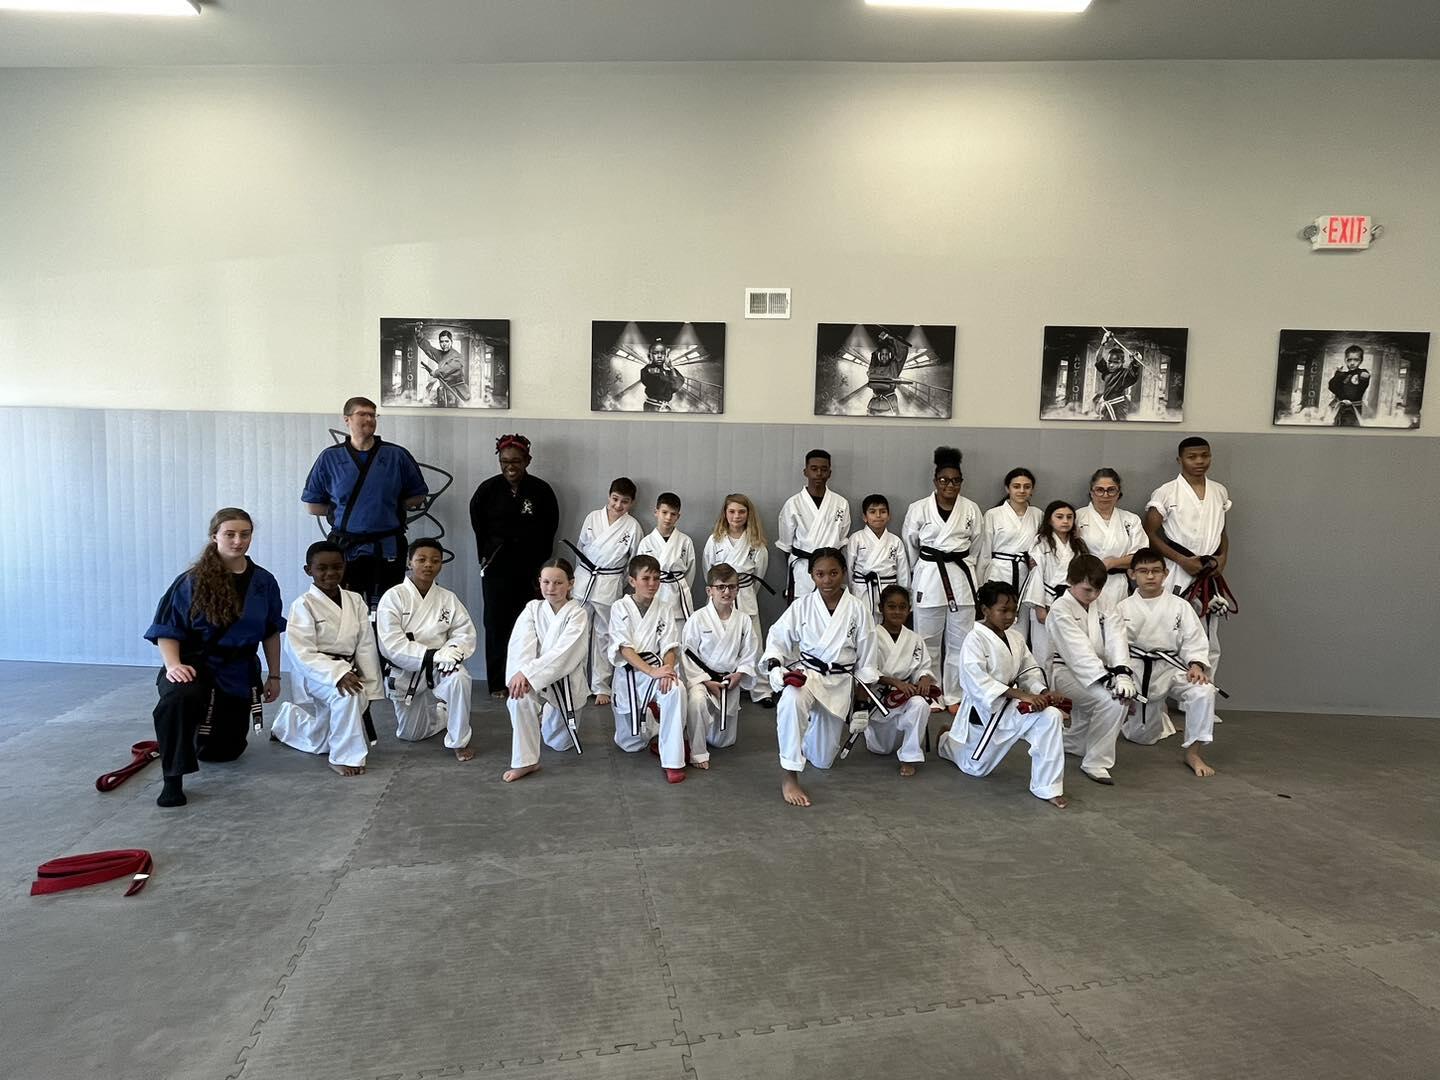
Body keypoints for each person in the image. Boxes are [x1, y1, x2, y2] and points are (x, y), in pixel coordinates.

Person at [144, 508, 285, 808]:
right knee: (178, 698)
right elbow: (167, 627)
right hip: (194, 662)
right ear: (214, 537)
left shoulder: (264, 582)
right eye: (229, 534)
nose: (238, 541)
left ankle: (195, 733)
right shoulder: (191, 581)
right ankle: (172, 779)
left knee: (222, 753)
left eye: (244, 534)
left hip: (238, 669)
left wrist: (274, 675)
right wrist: (173, 665)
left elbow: (271, 631)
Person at [763, 547, 879, 807]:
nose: (827, 580)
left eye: (833, 573)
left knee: (823, 759)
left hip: (839, 682)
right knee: (791, 700)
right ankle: (789, 775)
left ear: (844, 573)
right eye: (820, 574)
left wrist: (861, 704)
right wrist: (775, 666)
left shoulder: (858, 609)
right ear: (812, 575)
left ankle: (804, 737)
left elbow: (867, 660)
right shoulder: (802, 606)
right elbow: (777, 638)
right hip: (808, 675)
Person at [938, 581, 1068, 808]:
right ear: (985, 610)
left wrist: (1043, 692)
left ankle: (1048, 786)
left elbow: (1029, 671)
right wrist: (1020, 694)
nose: (1010, 616)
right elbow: (976, 681)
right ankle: (946, 741)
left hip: (1013, 706)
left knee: (1051, 717)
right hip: (985, 709)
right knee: (975, 768)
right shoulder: (974, 639)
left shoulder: (1016, 638)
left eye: (1013, 611)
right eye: (1003, 610)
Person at [302, 396, 428, 609]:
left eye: (373, 415)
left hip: (387, 546)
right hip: (346, 547)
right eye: (362, 414)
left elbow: (418, 495)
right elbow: (313, 505)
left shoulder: (396, 455)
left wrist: (386, 507)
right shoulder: (330, 458)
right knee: (345, 608)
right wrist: (344, 512)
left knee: (388, 608)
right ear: (347, 419)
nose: (369, 419)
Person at [270, 540, 383, 777]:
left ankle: (286, 721)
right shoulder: (303, 604)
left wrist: (371, 685)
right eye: (322, 568)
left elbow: (365, 645)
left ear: (344, 567)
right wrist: (337, 674)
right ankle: (344, 756)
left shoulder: (355, 600)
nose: (330, 573)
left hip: (350, 669)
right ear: (308, 570)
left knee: (321, 739)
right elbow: (300, 651)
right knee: (347, 695)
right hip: (316, 673)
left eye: (337, 567)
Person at [469, 433, 560, 698]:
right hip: (496, 567)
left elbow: (550, 529)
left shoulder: (541, 491)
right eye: (505, 461)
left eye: (516, 461)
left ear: (527, 461)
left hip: (530, 569)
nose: (510, 467)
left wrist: (540, 566)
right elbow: (478, 526)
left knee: (530, 624)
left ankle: (528, 678)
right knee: (496, 624)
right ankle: (498, 682)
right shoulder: (487, 490)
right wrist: (486, 555)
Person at [1118, 548, 1218, 777]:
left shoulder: (1180, 606)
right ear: (1132, 574)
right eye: (1143, 571)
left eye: (1156, 571)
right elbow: (1112, 648)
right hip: (1135, 670)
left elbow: (1194, 639)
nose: (1150, 576)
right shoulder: (1121, 608)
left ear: (1165, 574)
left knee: (1203, 691)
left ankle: (1193, 752)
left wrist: (1196, 665)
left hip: (1170, 667)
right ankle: (1140, 722)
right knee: (1142, 737)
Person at [376, 538, 477, 762]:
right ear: (409, 562)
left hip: (441, 666)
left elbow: (464, 632)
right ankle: (444, 712)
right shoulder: (393, 597)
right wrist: (432, 655)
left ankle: (459, 741)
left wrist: (452, 650)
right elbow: (391, 644)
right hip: (407, 669)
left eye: (435, 560)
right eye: (421, 559)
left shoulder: (447, 598)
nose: (428, 565)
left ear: (441, 564)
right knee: (411, 734)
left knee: (460, 679)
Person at [1046, 554, 1138, 785]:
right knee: (1114, 701)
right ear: (1070, 581)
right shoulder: (1060, 608)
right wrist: (1108, 680)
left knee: (1119, 696)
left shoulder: (1104, 602)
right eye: (1087, 589)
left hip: (1102, 670)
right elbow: (1077, 651)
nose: (1094, 595)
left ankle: (1074, 742)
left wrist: (1122, 673)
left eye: (1098, 589)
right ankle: (1096, 762)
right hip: (1066, 672)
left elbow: (1117, 636)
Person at [901, 446, 982, 706]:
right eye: (944, 480)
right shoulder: (918, 508)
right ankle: (931, 693)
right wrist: (920, 573)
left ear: (961, 482)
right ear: (935, 481)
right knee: (927, 642)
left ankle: (955, 695)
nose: (950, 485)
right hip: (929, 577)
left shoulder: (971, 509)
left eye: (955, 480)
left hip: (961, 579)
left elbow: (978, 547)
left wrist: (971, 574)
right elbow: (910, 546)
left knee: (961, 643)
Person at [1144, 437, 1233, 675]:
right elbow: (1149, 534)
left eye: (1204, 455)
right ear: (1180, 460)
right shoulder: (1166, 492)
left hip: (1209, 572)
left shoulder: (1219, 491)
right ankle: (1167, 692)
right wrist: (1182, 560)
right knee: (1171, 632)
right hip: (1177, 569)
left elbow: (1222, 531)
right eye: (1192, 457)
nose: (1199, 461)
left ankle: (1205, 691)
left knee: (1208, 635)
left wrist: (1223, 557)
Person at [502, 558, 589, 783]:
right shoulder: (533, 608)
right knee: (518, 698)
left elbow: (564, 653)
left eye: (558, 583)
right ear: (539, 582)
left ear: (571, 584)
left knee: (559, 743)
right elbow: (521, 646)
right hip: (534, 678)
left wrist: (530, 673)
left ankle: (546, 716)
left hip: (565, 681)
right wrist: (522, 674)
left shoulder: (578, 613)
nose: (551, 588)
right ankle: (526, 761)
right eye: (546, 582)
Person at [607, 554, 690, 782]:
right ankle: (654, 721)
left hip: (657, 671)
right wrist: (653, 672)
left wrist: (667, 670)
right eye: (646, 578)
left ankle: (673, 761)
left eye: (656, 578)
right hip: (631, 675)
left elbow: (670, 646)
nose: (652, 584)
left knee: (676, 689)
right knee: (631, 745)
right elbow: (624, 648)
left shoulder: (664, 608)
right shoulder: (619, 607)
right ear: (632, 581)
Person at [569, 477, 642, 704]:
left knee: (604, 636)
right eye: (615, 499)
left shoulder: (633, 527)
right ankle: (575, 683)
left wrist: (619, 581)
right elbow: (581, 548)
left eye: (624, 501)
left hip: (609, 583)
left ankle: (601, 686)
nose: (618, 505)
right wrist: (581, 574)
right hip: (584, 580)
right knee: (577, 633)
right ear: (608, 496)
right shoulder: (592, 517)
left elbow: (634, 561)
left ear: (632, 503)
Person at [852, 585, 934, 777]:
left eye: (902, 607)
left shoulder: (914, 639)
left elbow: (923, 666)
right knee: (881, 749)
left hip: (904, 700)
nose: (897, 611)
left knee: (920, 704)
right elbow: (864, 670)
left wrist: (924, 678)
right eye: (891, 606)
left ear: (909, 609)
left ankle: (909, 757)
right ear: (881, 608)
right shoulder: (870, 636)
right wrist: (894, 682)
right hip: (879, 704)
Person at [682, 563, 760, 758]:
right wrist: (706, 681)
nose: (727, 592)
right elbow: (687, 654)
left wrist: (739, 674)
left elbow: (749, 652)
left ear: (737, 589)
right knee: (697, 701)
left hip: (729, 683)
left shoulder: (743, 620)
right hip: (703, 681)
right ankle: (697, 752)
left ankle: (702, 729)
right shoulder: (697, 618)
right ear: (710, 591)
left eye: (732, 587)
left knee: (722, 742)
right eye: (721, 587)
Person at [702, 493, 773, 705]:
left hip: (746, 592)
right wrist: (721, 589)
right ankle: (716, 681)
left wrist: (743, 589)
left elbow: (759, 574)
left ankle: (761, 689)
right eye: (732, 511)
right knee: (718, 639)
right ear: (725, 513)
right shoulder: (715, 540)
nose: (736, 516)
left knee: (754, 642)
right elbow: (708, 570)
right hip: (719, 594)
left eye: (741, 512)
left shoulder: (756, 543)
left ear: (748, 514)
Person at [776, 449, 851, 603]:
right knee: (801, 612)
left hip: (831, 571)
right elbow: (786, 546)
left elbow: (842, 540)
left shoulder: (841, 503)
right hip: (803, 569)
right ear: (805, 471)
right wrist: (803, 562)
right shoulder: (793, 504)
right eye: (814, 469)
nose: (819, 474)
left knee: (831, 612)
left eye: (824, 469)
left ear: (829, 473)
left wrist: (828, 562)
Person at [1021, 500, 1088, 667]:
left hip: (1071, 601)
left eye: (1069, 517)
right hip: (1046, 599)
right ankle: (1044, 682)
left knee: (1070, 649)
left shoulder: (1078, 544)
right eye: (1059, 517)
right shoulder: (1041, 542)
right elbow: (1036, 575)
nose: (1065, 521)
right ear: (1049, 520)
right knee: (1043, 651)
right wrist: (1039, 607)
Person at [1074, 468, 1145, 610]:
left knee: (1117, 620)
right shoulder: (1077, 517)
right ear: (1091, 492)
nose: (1105, 495)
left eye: (1111, 490)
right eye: (1099, 490)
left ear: (1118, 493)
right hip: (1085, 583)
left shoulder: (1131, 519)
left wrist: (1113, 563)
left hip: (1118, 584)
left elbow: (1141, 557)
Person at [844, 493, 909, 620]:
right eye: (872, 512)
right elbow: (849, 568)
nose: (878, 516)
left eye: (883, 511)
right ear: (865, 517)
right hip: (862, 589)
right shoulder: (856, 538)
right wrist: (850, 591)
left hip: (889, 589)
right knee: (862, 621)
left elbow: (903, 572)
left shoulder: (895, 541)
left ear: (889, 516)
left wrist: (905, 594)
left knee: (887, 625)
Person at [637, 491, 697, 630]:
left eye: (673, 514)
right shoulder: (646, 542)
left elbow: (690, 572)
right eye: (664, 512)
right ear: (656, 512)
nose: (668, 518)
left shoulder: (685, 541)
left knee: (679, 633)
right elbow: (639, 572)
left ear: (678, 516)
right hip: (654, 592)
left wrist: (681, 586)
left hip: (677, 593)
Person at [976, 467, 1042, 591]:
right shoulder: (993, 514)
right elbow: (985, 552)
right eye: (1016, 486)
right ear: (1007, 488)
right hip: (998, 573)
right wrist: (979, 585)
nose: (1022, 491)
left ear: (1032, 489)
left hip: (1026, 572)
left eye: (1027, 487)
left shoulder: (1038, 514)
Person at [413, 326, 470, 407]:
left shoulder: (457, 356)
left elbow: (451, 367)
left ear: (451, 342)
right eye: (441, 341)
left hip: (458, 394)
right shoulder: (441, 355)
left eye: (447, 341)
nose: (444, 344)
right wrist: (418, 335)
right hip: (445, 393)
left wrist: (436, 372)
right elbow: (429, 349)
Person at [1092, 335, 1141, 420]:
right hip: (1106, 406)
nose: (1111, 365)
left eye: (1115, 362)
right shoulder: (1107, 371)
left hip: (1119, 408)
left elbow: (1133, 374)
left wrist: (1136, 362)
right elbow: (1099, 359)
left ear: (1122, 362)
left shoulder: (1124, 374)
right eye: (1109, 362)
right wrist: (1103, 344)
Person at [1328, 344, 1370, 426]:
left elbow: (1362, 384)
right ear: (1345, 360)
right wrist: (1338, 373)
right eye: (1349, 360)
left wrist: (1364, 377)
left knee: (1349, 428)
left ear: (1361, 361)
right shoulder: (1343, 375)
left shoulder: (1361, 373)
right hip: (1340, 408)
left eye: (1356, 360)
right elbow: (1332, 387)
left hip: (1353, 409)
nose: (1352, 363)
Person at [641, 340, 685, 411]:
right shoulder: (648, 370)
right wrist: (671, 380)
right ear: (650, 356)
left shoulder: (667, 371)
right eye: (655, 353)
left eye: (663, 353)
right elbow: (659, 386)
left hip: (665, 407)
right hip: (653, 407)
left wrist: (671, 367)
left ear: (666, 356)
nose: (659, 356)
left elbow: (678, 384)